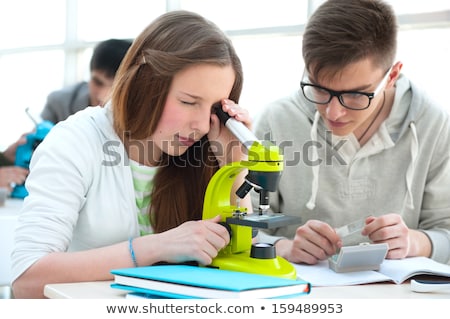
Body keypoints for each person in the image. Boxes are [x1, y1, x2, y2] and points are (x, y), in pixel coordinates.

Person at [11, 10, 250, 298]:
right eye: (188, 101)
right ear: (145, 84)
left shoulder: (208, 144)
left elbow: (236, 259)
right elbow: (27, 280)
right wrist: (156, 247)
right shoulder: (74, 141)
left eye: (213, 108)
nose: (200, 125)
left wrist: (234, 167)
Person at [252, 0, 450, 266]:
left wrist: (415, 242)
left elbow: (445, 231)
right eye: (320, 89)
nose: (333, 113)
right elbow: (244, 228)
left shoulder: (433, 123)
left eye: (355, 95)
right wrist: (284, 247)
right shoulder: (276, 120)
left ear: (392, 75)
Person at [40, 38, 132, 124]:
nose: (102, 96)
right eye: (98, 82)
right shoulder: (58, 103)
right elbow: (39, 137)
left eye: (114, 89)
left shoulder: (138, 114)